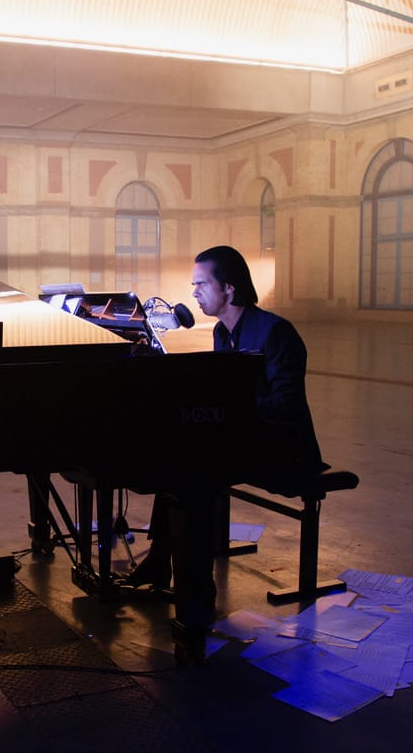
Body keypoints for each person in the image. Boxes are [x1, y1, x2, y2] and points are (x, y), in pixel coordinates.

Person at [122, 245, 324, 591]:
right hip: (246, 437)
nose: (195, 293)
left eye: (201, 284)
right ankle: (164, 560)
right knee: (177, 453)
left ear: (229, 288)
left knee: (194, 467)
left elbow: (286, 406)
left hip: (284, 446)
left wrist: (233, 411)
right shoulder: (221, 332)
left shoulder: (276, 332)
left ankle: (196, 584)